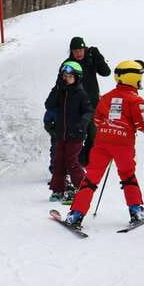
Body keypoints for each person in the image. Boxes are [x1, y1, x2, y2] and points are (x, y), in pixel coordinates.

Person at [64, 60, 144, 228]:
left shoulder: (106, 97)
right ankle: (137, 211)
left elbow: (97, 119)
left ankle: (75, 215)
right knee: (127, 176)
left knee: (90, 179)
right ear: (133, 77)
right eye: (140, 76)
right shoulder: (135, 100)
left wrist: (109, 128)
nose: (141, 79)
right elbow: (143, 126)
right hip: (123, 146)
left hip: (102, 143)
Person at [45, 61, 93, 203]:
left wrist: (81, 125)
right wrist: (57, 87)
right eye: (64, 76)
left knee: (72, 162)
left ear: (77, 78)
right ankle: (58, 190)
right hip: (61, 135)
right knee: (58, 162)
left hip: (75, 136)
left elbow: (89, 111)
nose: (66, 79)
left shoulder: (80, 94)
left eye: (70, 76)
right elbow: (48, 104)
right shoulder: (60, 91)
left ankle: (83, 189)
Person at [61, 36, 111, 166]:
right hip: (76, 107)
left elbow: (106, 72)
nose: (78, 53)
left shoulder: (91, 59)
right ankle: (76, 161)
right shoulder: (68, 65)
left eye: (80, 50)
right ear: (71, 51)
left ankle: (86, 161)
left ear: (85, 49)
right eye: (75, 51)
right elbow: (61, 85)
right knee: (77, 136)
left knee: (93, 134)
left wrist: (98, 58)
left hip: (93, 105)